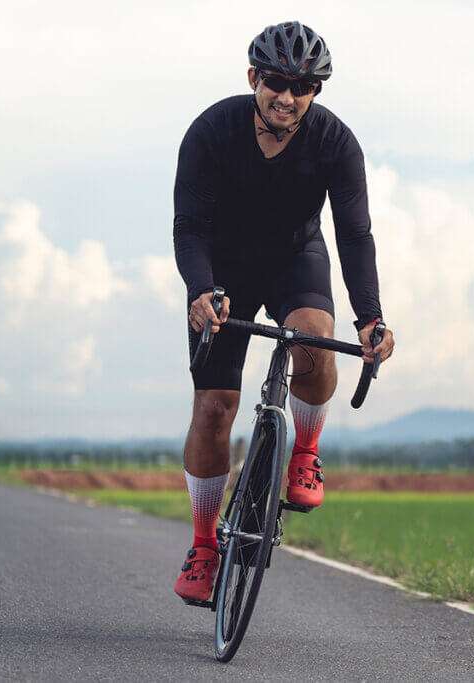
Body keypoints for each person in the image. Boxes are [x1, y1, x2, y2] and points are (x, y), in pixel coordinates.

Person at [171, 21, 395, 603]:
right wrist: (200, 290)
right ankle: (202, 546)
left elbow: (354, 235)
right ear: (254, 78)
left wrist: (370, 318)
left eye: (303, 86)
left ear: (316, 91)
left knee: (315, 342)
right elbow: (189, 227)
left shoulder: (335, 143)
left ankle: (304, 453)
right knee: (215, 407)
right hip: (221, 270)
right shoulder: (211, 131)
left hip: (297, 257)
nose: (287, 97)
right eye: (276, 82)